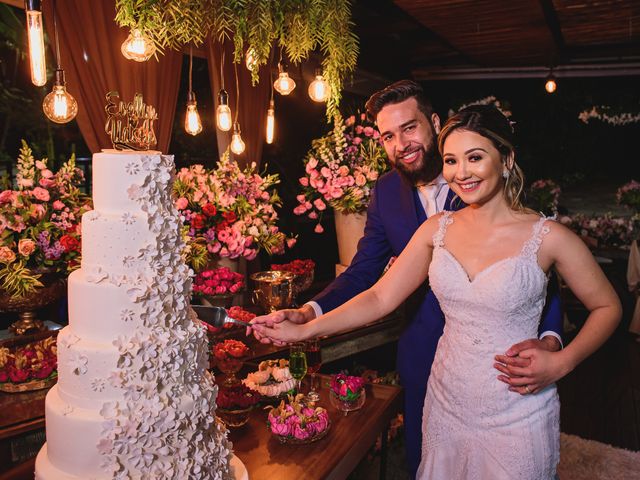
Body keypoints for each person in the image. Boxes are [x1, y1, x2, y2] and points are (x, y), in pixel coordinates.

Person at [251, 104, 622, 479]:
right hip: (446, 401)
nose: (461, 173)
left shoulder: (550, 237)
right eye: (451, 160)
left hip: (517, 407)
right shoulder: (436, 229)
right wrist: (304, 328)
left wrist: (563, 361)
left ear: (506, 159)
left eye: (475, 157)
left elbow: (608, 306)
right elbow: (380, 296)